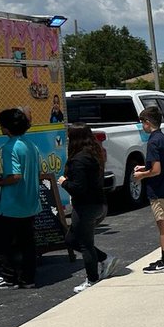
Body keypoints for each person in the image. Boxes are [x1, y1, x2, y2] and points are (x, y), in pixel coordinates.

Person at [0, 107, 42, 290]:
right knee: (27, 244)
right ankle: (27, 279)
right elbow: (37, 172)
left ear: (7, 127)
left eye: (1, 125)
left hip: (11, 204)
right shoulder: (32, 145)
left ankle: (8, 278)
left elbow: (14, 176)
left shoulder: (9, 147)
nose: (0, 128)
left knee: (2, 243)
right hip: (30, 202)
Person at [60, 123, 113, 291]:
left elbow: (78, 188)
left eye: (69, 137)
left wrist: (64, 182)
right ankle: (104, 258)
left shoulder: (78, 160)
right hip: (98, 203)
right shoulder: (93, 154)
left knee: (85, 244)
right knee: (71, 239)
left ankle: (91, 279)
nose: (68, 140)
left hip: (86, 207)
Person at [132, 106, 164, 274]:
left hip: (158, 190)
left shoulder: (153, 141)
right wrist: (145, 166)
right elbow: (160, 164)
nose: (141, 126)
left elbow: (156, 170)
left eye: (142, 123)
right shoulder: (162, 138)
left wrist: (141, 175)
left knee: (163, 224)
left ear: (148, 122)